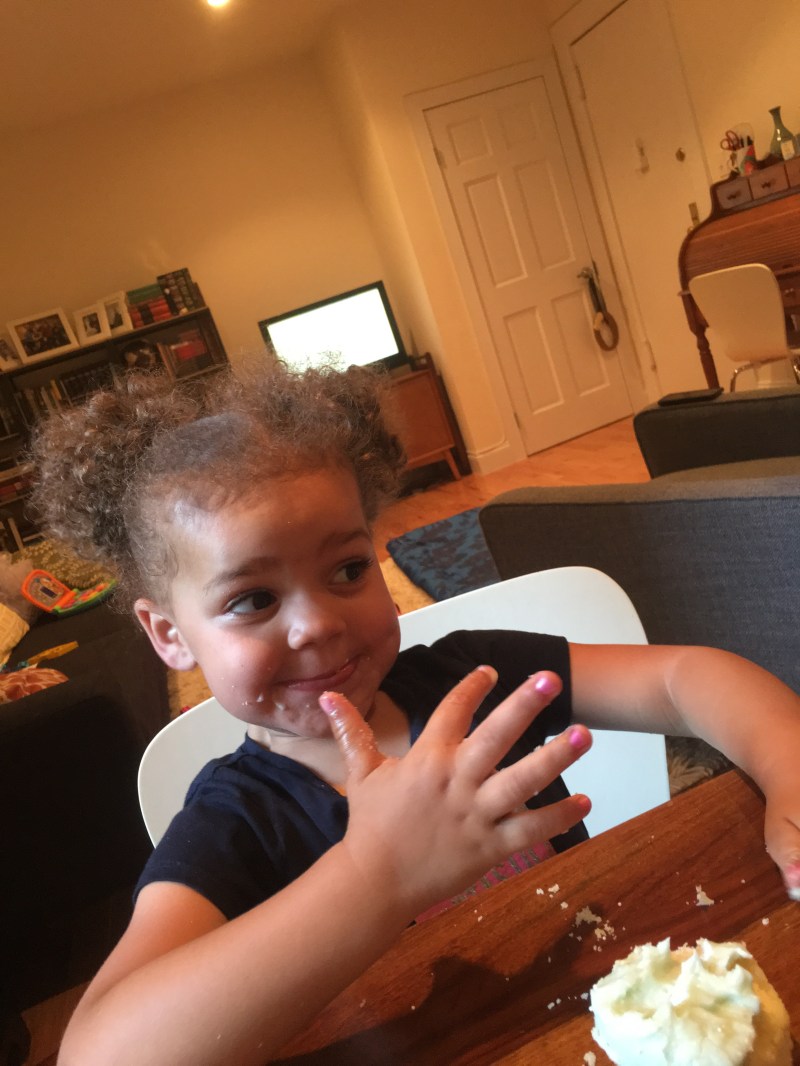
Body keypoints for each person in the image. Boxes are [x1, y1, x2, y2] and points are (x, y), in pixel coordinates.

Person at [30, 362, 800, 1066]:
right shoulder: (236, 822)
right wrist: (376, 875)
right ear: (169, 634)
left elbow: (684, 677)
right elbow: (101, 1053)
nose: (318, 623)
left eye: (347, 568)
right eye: (253, 599)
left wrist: (788, 770)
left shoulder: (473, 676)